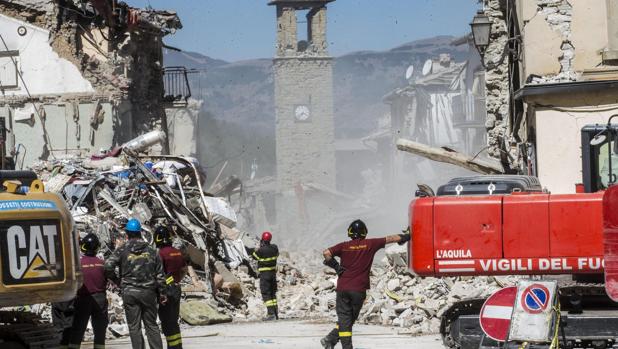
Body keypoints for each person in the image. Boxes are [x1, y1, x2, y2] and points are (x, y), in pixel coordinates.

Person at [320, 219, 410, 349]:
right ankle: (341, 345)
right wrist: (406, 236)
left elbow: (326, 253)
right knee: (349, 319)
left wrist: (335, 266)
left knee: (346, 319)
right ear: (364, 232)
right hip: (359, 290)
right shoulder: (371, 244)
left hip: (343, 288)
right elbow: (390, 238)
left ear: (350, 232)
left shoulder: (343, 246)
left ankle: (330, 340)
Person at [105, 219, 167, 349]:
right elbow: (160, 275)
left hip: (130, 293)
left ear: (127, 233)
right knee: (151, 325)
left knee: (134, 327)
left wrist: (118, 282)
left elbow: (107, 267)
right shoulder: (152, 251)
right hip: (149, 293)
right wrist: (162, 293)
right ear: (140, 233)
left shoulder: (122, 250)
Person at [68, 233, 109, 349]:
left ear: (83, 246)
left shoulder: (77, 264)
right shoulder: (102, 263)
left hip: (82, 300)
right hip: (100, 300)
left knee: (77, 331)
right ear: (97, 247)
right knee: (100, 332)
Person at [154, 226, 188, 349]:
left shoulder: (160, 254)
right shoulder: (178, 252)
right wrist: (176, 280)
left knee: (167, 323)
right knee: (174, 320)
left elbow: (159, 275)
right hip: (177, 288)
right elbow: (184, 269)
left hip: (166, 290)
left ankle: (172, 347)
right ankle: (178, 346)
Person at [246, 231, 279, 320]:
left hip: (265, 275)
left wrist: (253, 249)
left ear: (263, 239)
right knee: (272, 294)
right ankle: (275, 313)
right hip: (273, 274)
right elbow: (276, 254)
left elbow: (254, 256)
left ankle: (271, 315)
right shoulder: (275, 248)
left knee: (266, 294)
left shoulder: (261, 250)